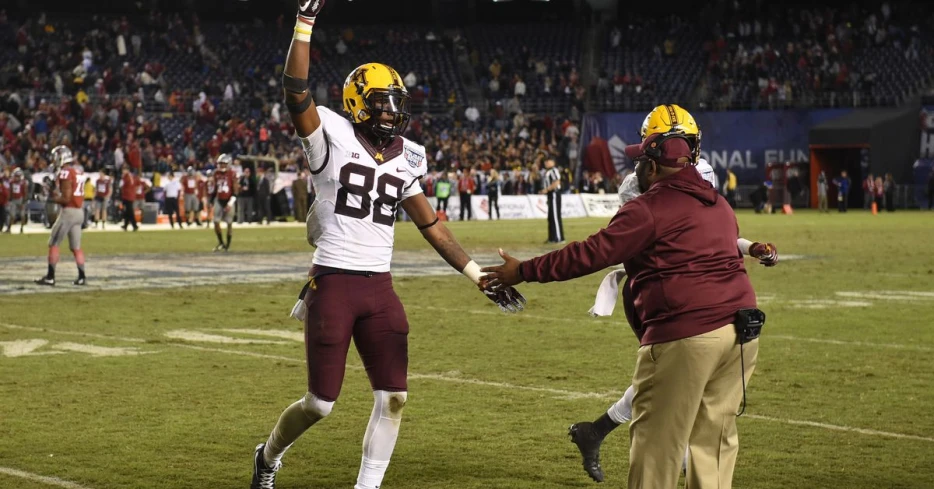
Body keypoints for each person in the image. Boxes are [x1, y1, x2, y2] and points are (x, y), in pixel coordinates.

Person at [250, 4, 526, 489]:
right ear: (358, 103)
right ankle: (268, 455)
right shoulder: (330, 134)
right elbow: (295, 90)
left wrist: (476, 273)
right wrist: (304, 23)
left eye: (396, 102)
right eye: (381, 102)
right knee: (320, 403)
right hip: (333, 279)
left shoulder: (407, 156)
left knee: (394, 396)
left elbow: (432, 225)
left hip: (380, 286)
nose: (391, 111)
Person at [482, 130, 761, 489]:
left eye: (642, 160)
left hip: (688, 334)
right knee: (714, 445)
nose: (638, 167)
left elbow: (591, 253)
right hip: (741, 333)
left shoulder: (650, 207)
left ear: (654, 165)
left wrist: (523, 271)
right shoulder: (719, 204)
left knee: (656, 446)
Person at [35, 146, 89, 286]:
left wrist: (50, 198)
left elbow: (65, 198)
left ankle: (50, 276)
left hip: (69, 212)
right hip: (79, 212)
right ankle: (82, 276)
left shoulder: (65, 172)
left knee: (53, 242)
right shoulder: (78, 171)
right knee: (76, 247)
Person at [211, 154, 238, 251]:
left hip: (229, 200)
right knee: (215, 222)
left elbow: (235, 192)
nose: (221, 166)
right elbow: (215, 189)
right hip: (219, 199)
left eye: (224, 164)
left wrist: (230, 203)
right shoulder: (216, 173)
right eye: (220, 164)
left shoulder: (232, 174)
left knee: (229, 223)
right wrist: (211, 199)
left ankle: (228, 245)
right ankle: (221, 242)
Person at [542, 158, 564, 243]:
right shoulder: (548, 171)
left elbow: (557, 182)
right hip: (550, 195)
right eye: (545, 161)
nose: (546, 163)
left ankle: (559, 238)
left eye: (548, 161)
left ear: (553, 162)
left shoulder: (554, 170)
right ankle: (551, 237)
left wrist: (547, 189)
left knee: (555, 216)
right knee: (550, 217)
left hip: (554, 193)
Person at [6, 168, 28, 233]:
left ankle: (22, 228)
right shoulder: (11, 182)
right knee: (12, 215)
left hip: (21, 199)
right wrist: (9, 199)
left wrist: (23, 201)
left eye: (18, 176)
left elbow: (25, 192)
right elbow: (10, 191)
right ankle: (9, 228)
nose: (17, 177)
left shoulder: (23, 182)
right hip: (13, 200)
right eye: (16, 176)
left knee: (22, 215)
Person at [119, 167, 139, 231]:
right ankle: (125, 225)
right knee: (127, 211)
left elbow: (121, 185)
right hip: (131, 195)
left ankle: (134, 225)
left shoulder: (125, 177)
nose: (123, 171)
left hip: (126, 196)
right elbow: (137, 184)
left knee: (129, 212)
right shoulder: (132, 176)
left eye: (123, 170)